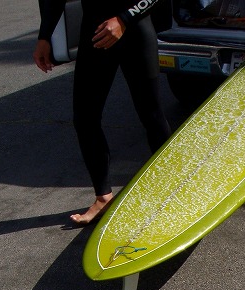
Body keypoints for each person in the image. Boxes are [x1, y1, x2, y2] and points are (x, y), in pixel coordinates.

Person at [34, 1, 172, 225]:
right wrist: (44, 36)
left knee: (151, 114)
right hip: (96, 33)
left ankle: (172, 192)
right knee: (85, 118)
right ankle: (103, 197)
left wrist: (123, 19)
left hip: (135, 29)